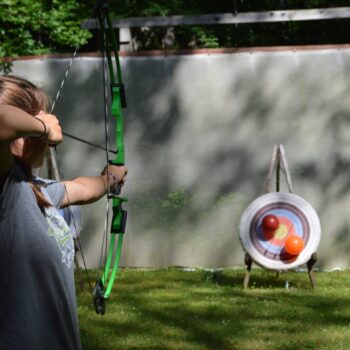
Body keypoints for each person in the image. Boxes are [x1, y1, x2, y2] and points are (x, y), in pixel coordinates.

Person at [0, 75, 128, 350]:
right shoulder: (5, 188)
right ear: (25, 135)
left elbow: (82, 188)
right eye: (40, 118)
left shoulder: (36, 189)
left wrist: (109, 180)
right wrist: (42, 126)